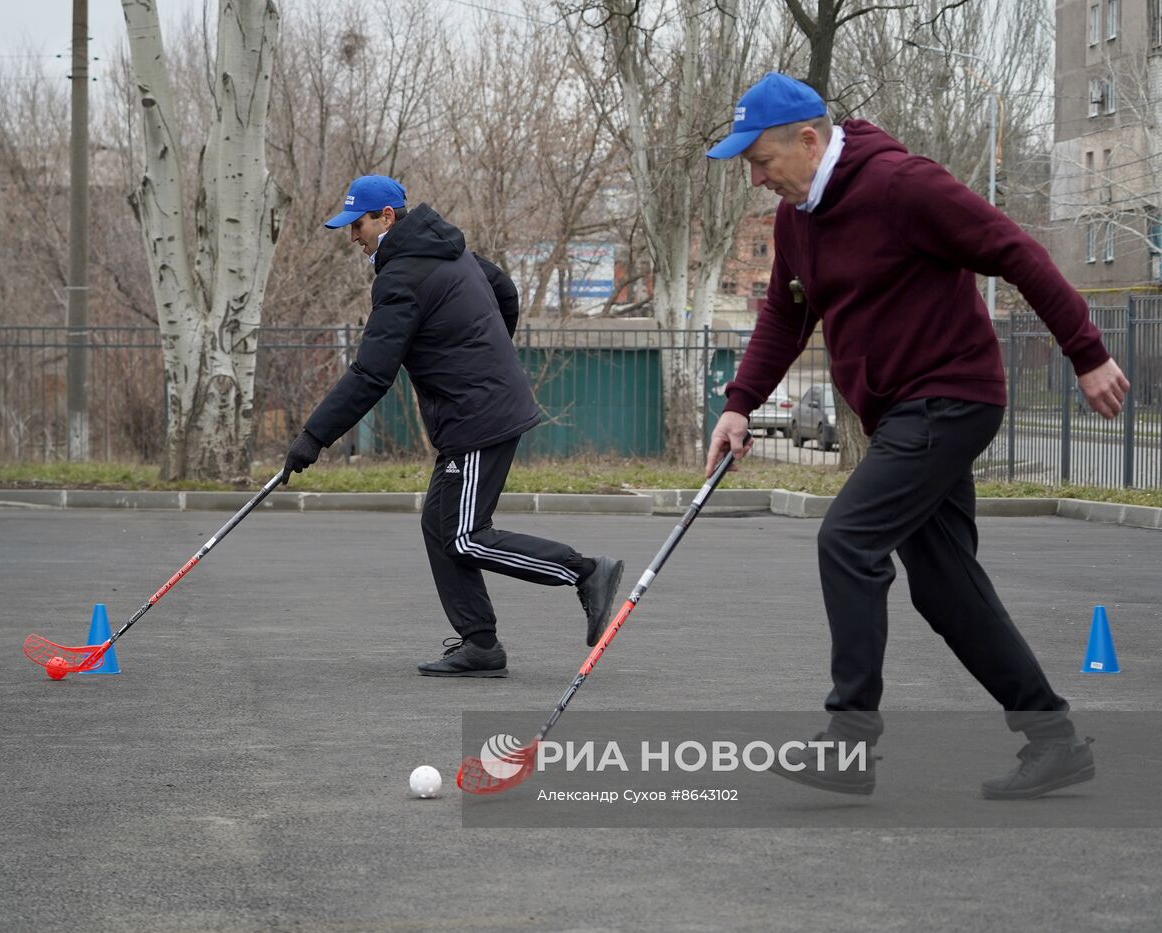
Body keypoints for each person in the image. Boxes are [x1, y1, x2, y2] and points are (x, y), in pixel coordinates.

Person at [704, 74, 1131, 799]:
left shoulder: (902, 186)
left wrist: (1086, 352)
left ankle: (849, 741)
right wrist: (740, 403)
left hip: (952, 395)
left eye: (763, 159)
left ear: (810, 140)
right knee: (944, 586)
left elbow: (1014, 249)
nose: (756, 177)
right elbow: (786, 314)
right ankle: (1054, 738)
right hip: (900, 412)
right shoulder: (798, 216)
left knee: (848, 537)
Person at [282, 174, 625, 677]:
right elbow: (503, 288)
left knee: (464, 536)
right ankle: (480, 645)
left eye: (357, 225)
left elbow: (371, 373)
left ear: (386, 218)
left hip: (477, 416)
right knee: (440, 525)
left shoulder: (399, 278)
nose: (352, 236)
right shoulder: (450, 251)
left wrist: (313, 437)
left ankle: (585, 571)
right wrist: (487, 350)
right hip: (482, 406)